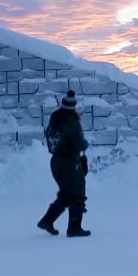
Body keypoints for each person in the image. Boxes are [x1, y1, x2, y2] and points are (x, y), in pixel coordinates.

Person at [37, 90, 91, 237]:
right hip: (70, 163)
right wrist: (85, 143)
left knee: (67, 194)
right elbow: (80, 144)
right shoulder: (72, 122)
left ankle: (47, 221)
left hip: (56, 162)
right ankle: (74, 228)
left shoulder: (55, 118)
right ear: (73, 107)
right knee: (78, 193)